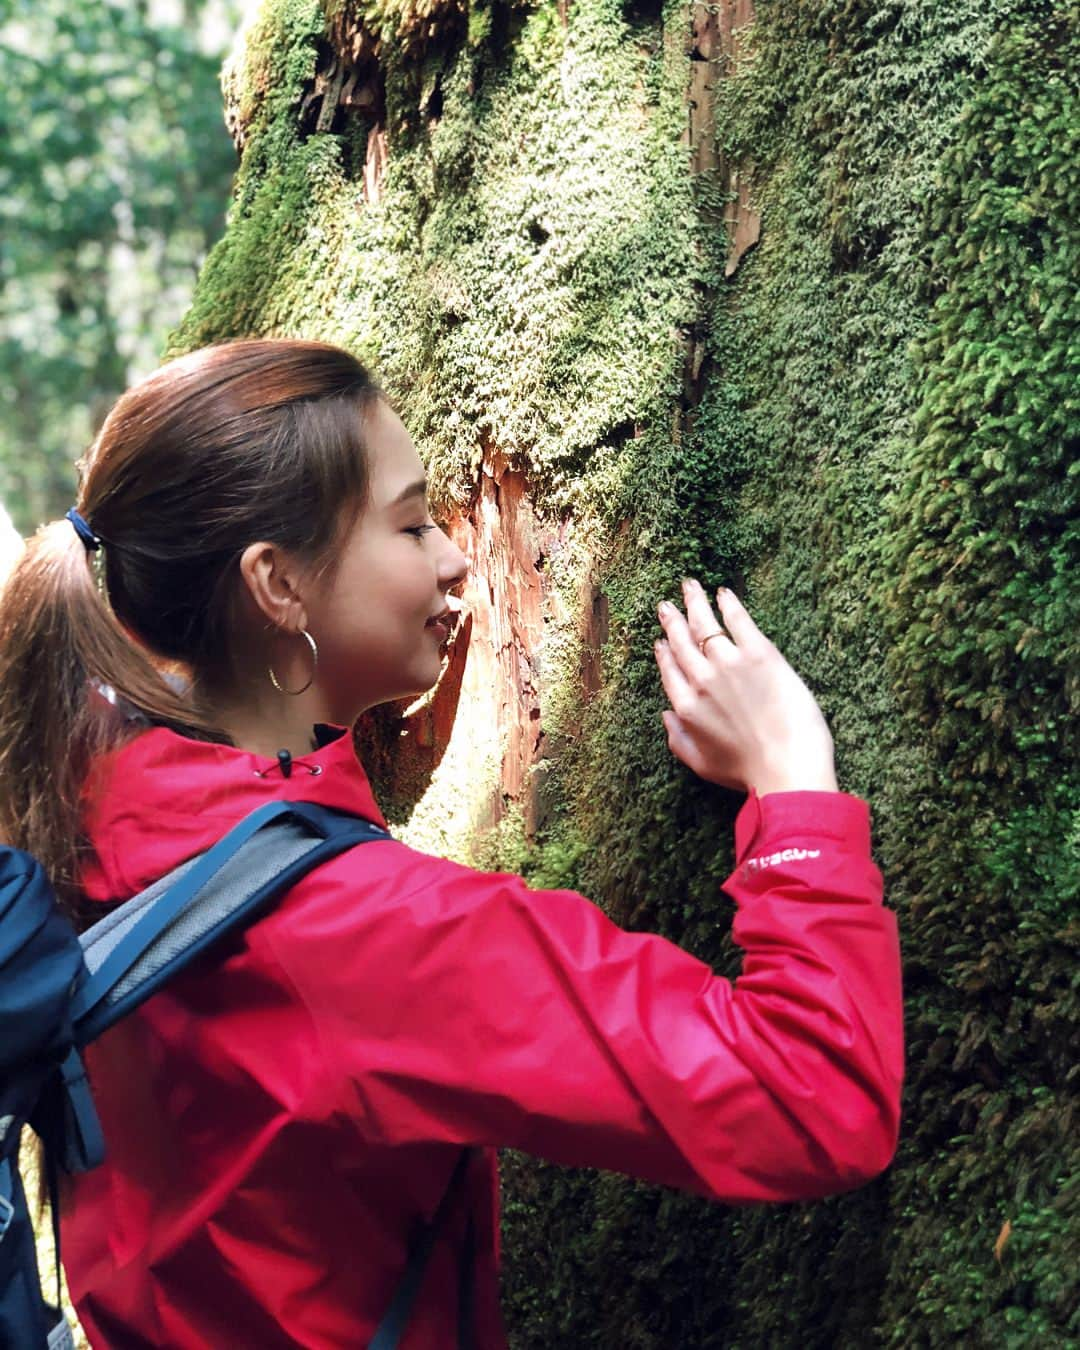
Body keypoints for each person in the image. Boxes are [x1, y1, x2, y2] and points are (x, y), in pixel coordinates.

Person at [0, 339, 903, 1349]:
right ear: (278, 587)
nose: (457, 557)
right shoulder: (361, 933)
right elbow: (811, 1096)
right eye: (412, 522)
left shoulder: (70, 814)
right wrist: (791, 781)